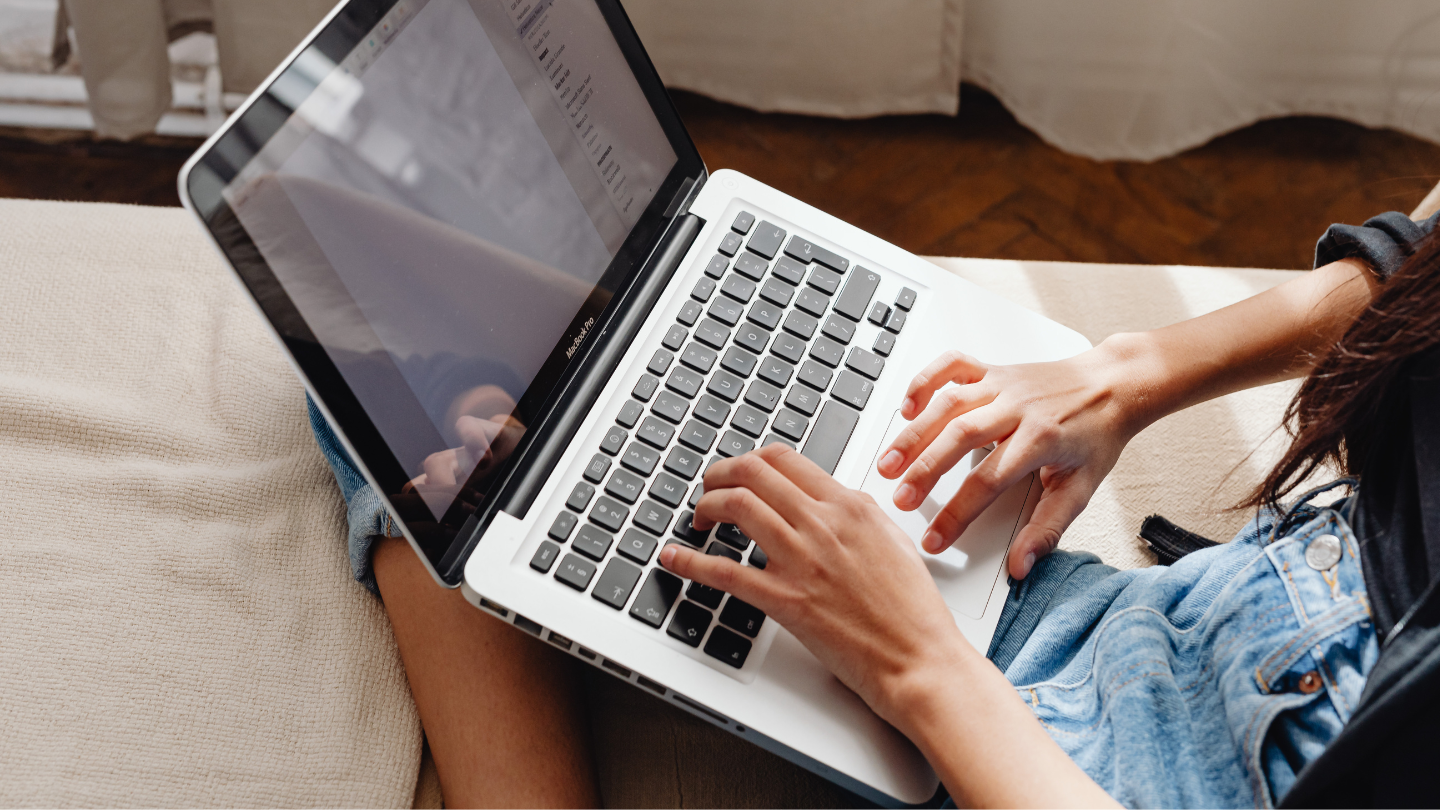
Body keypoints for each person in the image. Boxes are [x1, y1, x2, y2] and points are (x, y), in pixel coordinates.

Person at [311, 207, 1439, 807]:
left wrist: (916, 665)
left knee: (407, 403)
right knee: (443, 348)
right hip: (1176, 625)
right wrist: (1133, 372)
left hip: (1074, 767)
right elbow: (1423, 254)